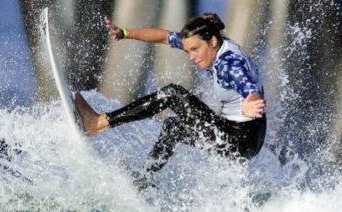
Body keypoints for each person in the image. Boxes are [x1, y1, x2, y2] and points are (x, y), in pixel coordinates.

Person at [75, 12, 267, 188]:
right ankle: (143, 181)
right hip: (244, 137)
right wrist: (124, 33)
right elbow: (164, 37)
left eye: (194, 50)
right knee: (173, 127)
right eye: (188, 51)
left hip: (239, 140)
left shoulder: (229, 64)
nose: (191, 57)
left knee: (172, 94)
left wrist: (252, 100)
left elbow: (247, 85)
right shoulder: (217, 45)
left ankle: (99, 122)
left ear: (213, 41)